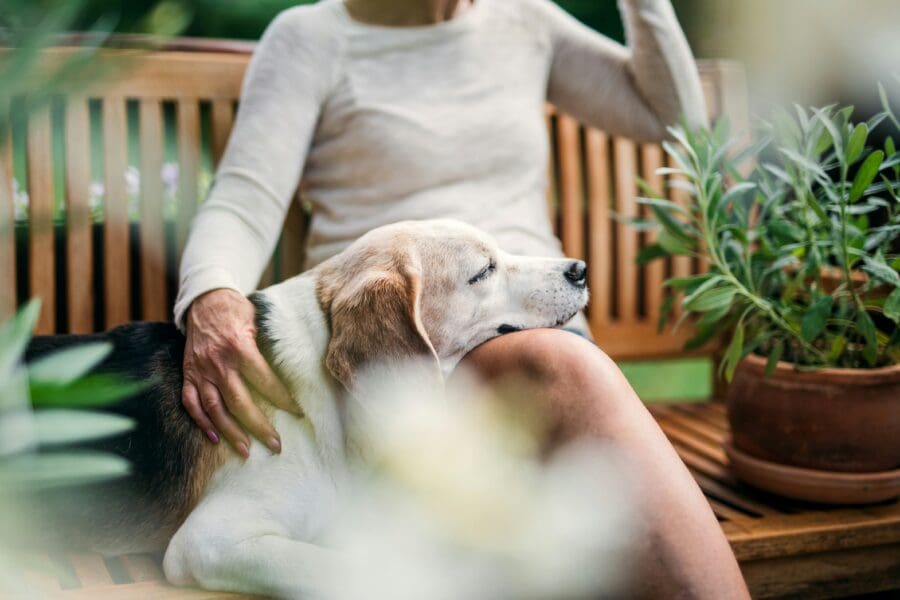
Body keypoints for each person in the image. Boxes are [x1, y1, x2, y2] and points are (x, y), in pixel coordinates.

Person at [174, 0, 750, 596]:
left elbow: (675, 118)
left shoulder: (527, 20)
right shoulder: (312, 37)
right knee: (565, 371)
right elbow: (243, 200)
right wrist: (213, 299)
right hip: (398, 347)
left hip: (532, 321)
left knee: (564, 382)